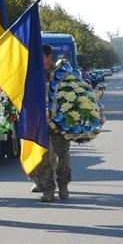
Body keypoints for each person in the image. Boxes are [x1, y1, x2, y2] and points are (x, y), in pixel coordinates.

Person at [32, 45, 73, 202]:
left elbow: (72, 93)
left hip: (59, 123)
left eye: (40, 56)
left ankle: (63, 185)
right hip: (40, 123)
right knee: (43, 159)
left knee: (63, 157)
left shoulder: (61, 73)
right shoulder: (34, 75)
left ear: (49, 57)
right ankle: (48, 190)